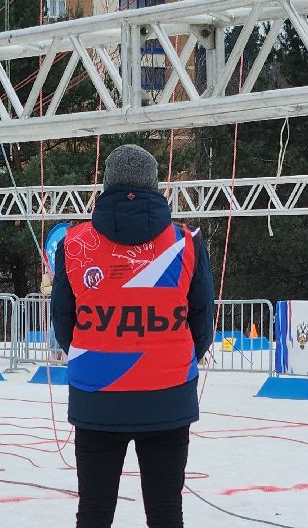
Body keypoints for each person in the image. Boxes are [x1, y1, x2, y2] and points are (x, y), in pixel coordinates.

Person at [51, 144, 216, 528]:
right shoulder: (186, 241)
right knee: (165, 512)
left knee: (93, 510)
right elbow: (202, 316)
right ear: (155, 186)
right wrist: (182, 356)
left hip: (96, 392)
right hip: (168, 393)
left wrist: (87, 351)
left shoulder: (74, 243)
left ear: (105, 185)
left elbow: (63, 317)